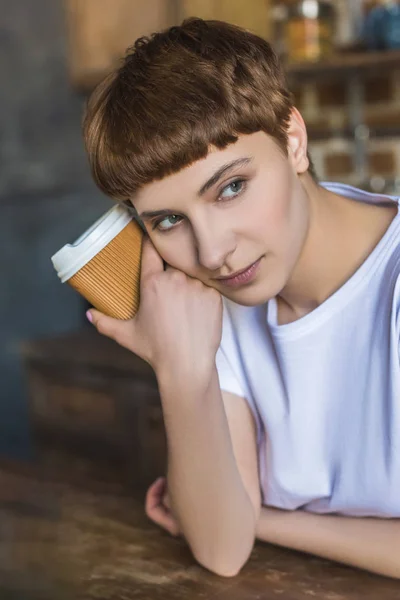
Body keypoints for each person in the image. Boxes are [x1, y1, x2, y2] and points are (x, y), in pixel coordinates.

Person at [83, 18, 400, 578]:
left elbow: (236, 530)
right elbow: (222, 552)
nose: (212, 252)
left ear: (292, 140)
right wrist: (181, 371)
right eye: (169, 220)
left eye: (231, 187)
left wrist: (266, 520)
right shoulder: (214, 302)